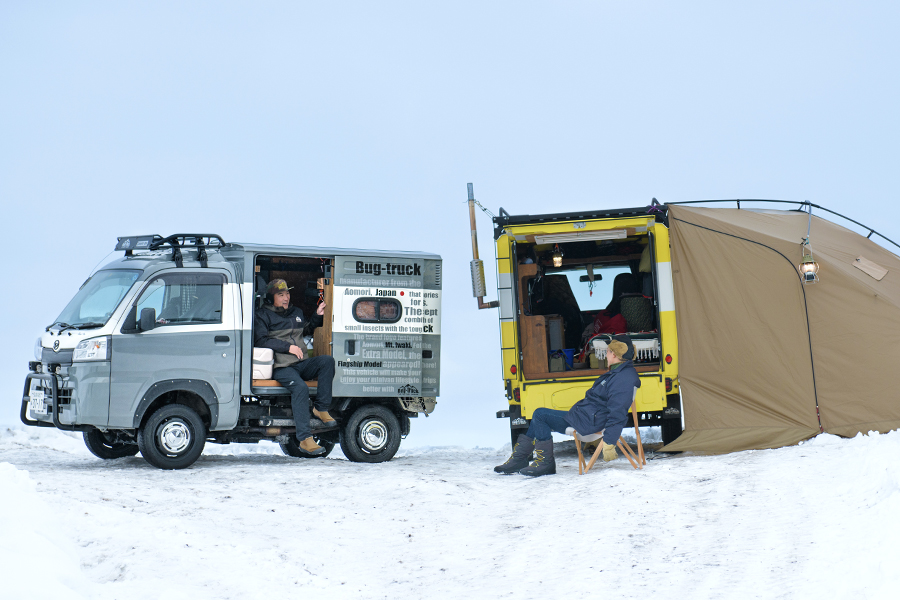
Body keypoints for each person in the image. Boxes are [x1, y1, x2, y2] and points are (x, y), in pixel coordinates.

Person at [494, 334, 641, 477]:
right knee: (540, 415)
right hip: (586, 417)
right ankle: (521, 459)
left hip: (589, 423)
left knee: (540, 415)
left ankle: (542, 462)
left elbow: (618, 411)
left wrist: (609, 441)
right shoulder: (619, 374)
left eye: (608, 352)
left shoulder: (623, 378)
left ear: (615, 354)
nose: (606, 355)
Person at [254, 279, 336, 456]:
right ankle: (305, 439)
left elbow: (306, 330)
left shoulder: (296, 312)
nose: (286, 298)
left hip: (301, 363)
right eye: (280, 294)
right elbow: (260, 340)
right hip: (282, 366)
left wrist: (317, 315)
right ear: (271, 297)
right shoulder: (263, 315)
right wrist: (288, 347)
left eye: (287, 294)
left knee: (327, 362)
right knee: (300, 388)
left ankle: (320, 408)